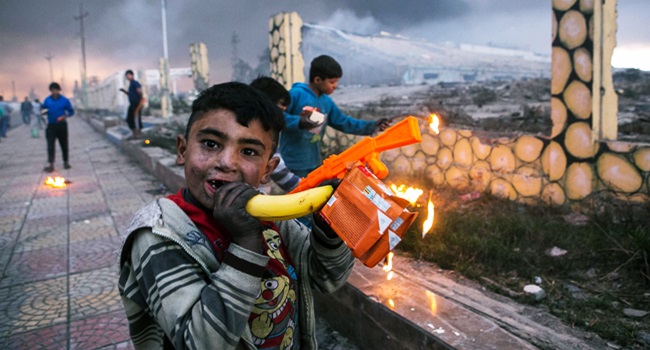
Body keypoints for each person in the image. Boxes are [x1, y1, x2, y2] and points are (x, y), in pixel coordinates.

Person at [117, 82, 353, 349]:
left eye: (249, 151)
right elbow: (198, 343)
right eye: (210, 144)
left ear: (267, 169)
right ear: (182, 150)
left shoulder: (270, 216)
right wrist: (245, 243)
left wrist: (329, 229)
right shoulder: (159, 234)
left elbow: (327, 277)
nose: (227, 162)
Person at [281, 55, 391, 177]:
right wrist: (299, 122)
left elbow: (343, 122)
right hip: (292, 162)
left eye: (337, 81)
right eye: (332, 82)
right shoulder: (296, 94)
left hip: (314, 162)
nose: (335, 85)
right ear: (317, 80)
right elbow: (278, 116)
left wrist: (372, 125)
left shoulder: (326, 102)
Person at [250, 76, 301, 193]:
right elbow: (280, 173)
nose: (282, 113)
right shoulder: (260, 133)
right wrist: (306, 188)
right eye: (280, 108)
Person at [42, 82, 74, 172]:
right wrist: (44, 113)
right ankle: (51, 163)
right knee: (50, 144)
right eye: (52, 90)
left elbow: (71, 111)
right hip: (51, 125)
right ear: (50, 91)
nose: (54, 92)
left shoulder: (64, 100)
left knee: (64, 144)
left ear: (58, 90)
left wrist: (64, 116)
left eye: (55, 90)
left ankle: (66, 162)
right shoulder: (47, 100)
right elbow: (44, 110)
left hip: (62, 125)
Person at [119, 69, 144, 139]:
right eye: (126, 76)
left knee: (135, 118)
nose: (127, 77)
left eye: (128, 75)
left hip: (136, 103)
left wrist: (140, 100)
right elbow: (131, 95)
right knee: (130, 118)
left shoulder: (135, 83)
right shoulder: (131, 84)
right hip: (133, 103)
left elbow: (139, 91)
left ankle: (138, 133)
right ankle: (135, 133)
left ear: (132, 75)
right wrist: (124, 91)